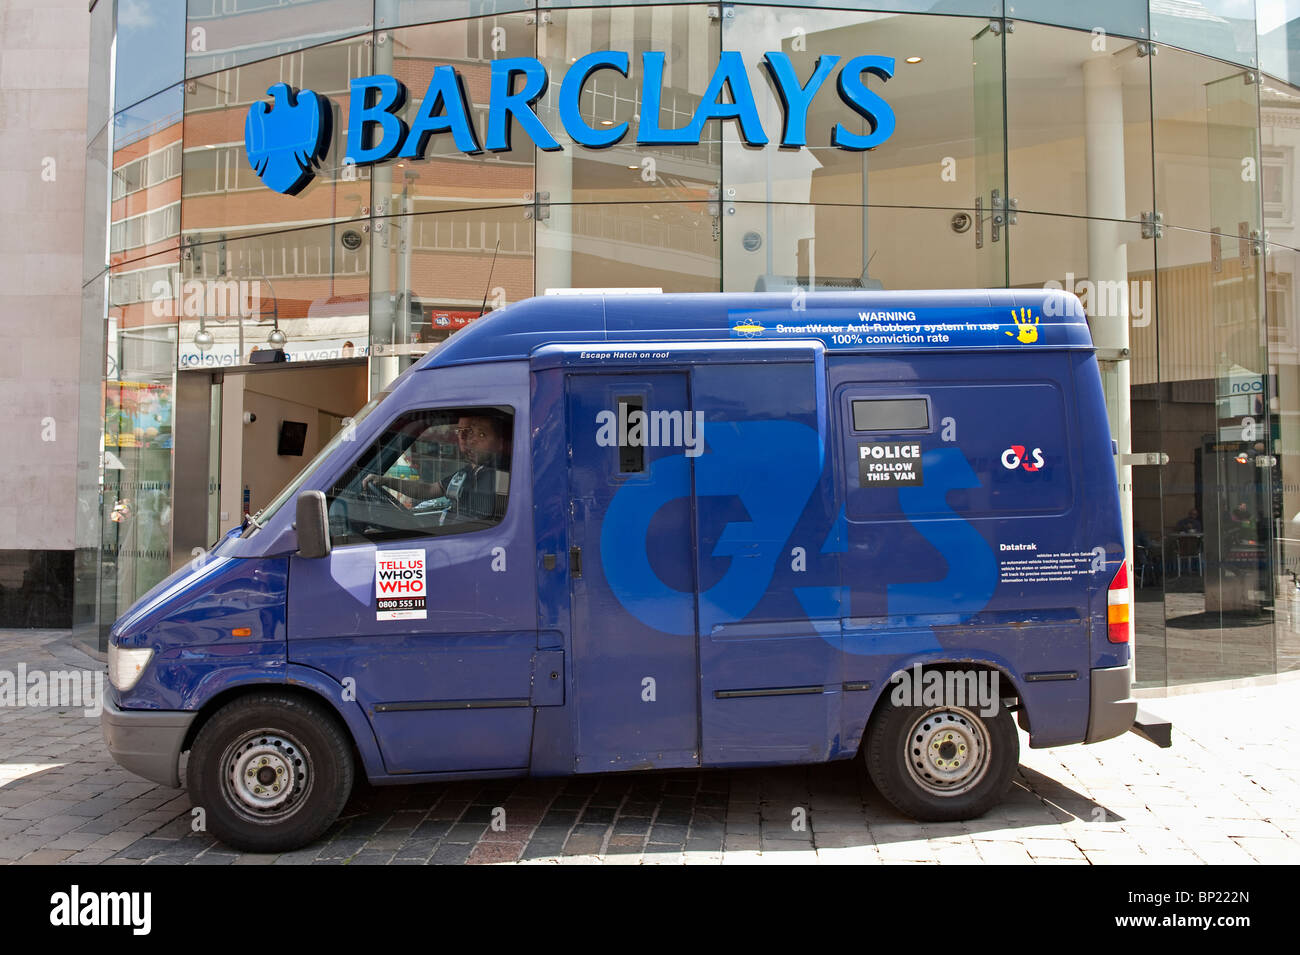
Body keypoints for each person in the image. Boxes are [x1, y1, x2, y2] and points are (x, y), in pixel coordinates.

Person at [363, 413, 508, 522]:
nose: (472, 439)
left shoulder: (501, 476)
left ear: (501, 443)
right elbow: (429, 490)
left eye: (481, 434)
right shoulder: (469, 472)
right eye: (471, 433)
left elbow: (480, 526)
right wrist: (385, 481)